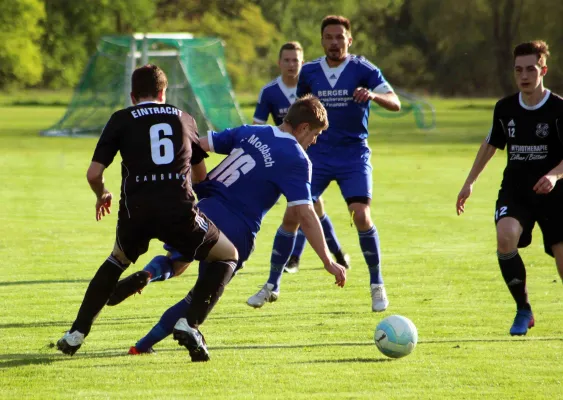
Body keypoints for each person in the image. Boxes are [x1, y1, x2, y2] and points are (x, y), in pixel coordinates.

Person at [116, 95, 347, 360]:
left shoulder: (251, 131)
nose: (315, 141)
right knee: (198, 296)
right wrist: (328, 261)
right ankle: (165, 335)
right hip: (237, 230)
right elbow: (305, 214)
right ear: (304, 128)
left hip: (201, 211)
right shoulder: (297, 159)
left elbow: (195, 146)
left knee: (176, 263)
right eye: (315, 134)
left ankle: (147, 282)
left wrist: (186, 183)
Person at [56, 64, 239, 356]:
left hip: (136, 211)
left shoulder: (120, 119)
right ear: (163, 93)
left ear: (132, 95)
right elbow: (201, 176)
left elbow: (93, 173)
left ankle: (76, 334)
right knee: (228, 255)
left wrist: (101, 193)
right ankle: (190, 323)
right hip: (178, 211)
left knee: (116, 260)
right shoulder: (184, 117)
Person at [247, 15, 401, 311]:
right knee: (292, 215)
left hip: (352, 154)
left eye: (339, 37)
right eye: (328, 37)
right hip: (315, 154)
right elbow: (299, 111)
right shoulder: (311, 72)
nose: (334, 42)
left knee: (361, 215)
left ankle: (377, 284)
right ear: (322, 40)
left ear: (349, 40)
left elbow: (395, 101)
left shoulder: (363, 69)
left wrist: (372, 96)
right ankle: (271, 285)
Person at [456, 40, 563, 336]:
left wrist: (554, 175)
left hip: (556, 196)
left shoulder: (558, 109)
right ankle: (523, 309)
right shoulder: (505, 108)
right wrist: (469, 183)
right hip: (516, 191)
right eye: (519, 70)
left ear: (543, 69)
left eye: (531, 69)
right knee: (505, 238)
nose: (524, 75)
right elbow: (490, 144)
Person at [253, 41, 350, 274]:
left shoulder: (311, 91)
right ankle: (333, 252)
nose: (290, 64)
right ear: (279, 63)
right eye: (286, 60)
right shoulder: (269, 92)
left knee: (310, 206)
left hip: (311, 155)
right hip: (281, 158)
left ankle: (300, 258)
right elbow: (258, 126)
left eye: (295, 60)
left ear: (302, 63)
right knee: (307, 208)